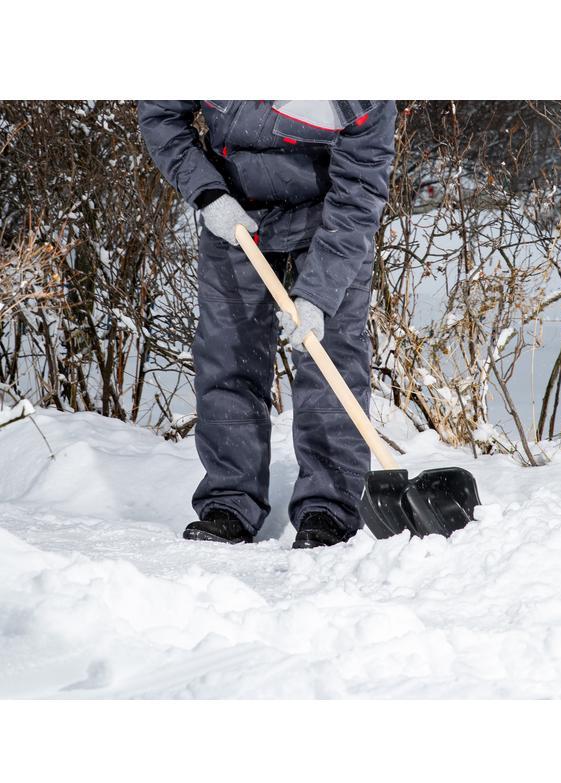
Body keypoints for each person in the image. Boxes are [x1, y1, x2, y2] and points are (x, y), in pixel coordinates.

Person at [138, 100, 397, 548]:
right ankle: (230, 499)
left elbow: (359, 192)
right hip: (233, 209)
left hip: (328, 218)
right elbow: (160, 114)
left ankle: (329, 508)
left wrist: (318, 294)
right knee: (228, 354)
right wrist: (207, 193)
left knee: (331, 355)